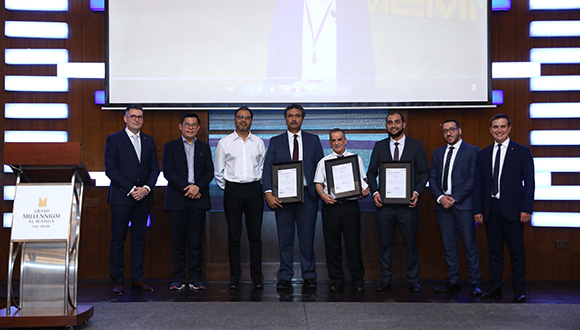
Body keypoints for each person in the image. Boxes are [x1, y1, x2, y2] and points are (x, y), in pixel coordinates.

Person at [473, 113, 535, 303]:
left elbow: (530, 183)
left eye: (502, 127)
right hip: (491, 210)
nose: (499, 130)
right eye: (495, 127)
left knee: (516, 252)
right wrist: (478, 210)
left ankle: (518, 289)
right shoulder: (483, 154)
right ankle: (495, 288)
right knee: (494, 252)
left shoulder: (522, 151)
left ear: (509, 128)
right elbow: (478, 184)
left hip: (515, 211)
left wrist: (526, 209)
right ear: (490, 130)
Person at [262, 104, 324, 290]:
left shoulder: (313, 140)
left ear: (302, 118)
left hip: (308, 197)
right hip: (283, 198)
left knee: (307, 238)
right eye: (290, 115)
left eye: (297, 115)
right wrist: (268, 194)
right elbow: (267, 170)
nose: (294, 119)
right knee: (285, 238)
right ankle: (286, 275)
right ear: (285, 118)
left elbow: (321, 168)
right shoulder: (275, 141)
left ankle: (309, 275)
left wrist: (321, 192)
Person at [366, 111, 429, 293]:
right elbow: (371, 173)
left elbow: (424, 172)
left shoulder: (416, 146)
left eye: (396, 122)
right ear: (386, 126)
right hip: (384, 206)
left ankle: (413, 279)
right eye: (389, 122)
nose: (393, 125)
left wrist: (417, 191)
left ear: (403, 124)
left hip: (408, 206)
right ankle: (385, 279)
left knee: (410, 243)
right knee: (385, 243)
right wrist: (375, 192)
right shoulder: (379, 146)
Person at [105, 104, 160, 295]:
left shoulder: (149, 140)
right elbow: (111, 170)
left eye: (140, 117)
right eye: (134, 116)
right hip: (121, 198)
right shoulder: (114, 140)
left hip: (143, 199)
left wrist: (145, 189)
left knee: (139, 240)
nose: (137, 119)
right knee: (118, 240)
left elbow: (155, 169)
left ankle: (138, 279)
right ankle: (118, 280)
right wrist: (131, 189)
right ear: (125, 118)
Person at [214, 106, 266, 290]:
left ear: (251, 121)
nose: (243, 120)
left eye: (247, 117)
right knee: (234, 236)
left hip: (254, 191)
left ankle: (256, 277)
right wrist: (228, 187)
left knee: (255, 236)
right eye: (240, 117)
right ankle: (235, 276)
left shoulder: (258, 142)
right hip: (233, 191)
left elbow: (262, 167)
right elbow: (218, 170)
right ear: (234, 120)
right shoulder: (224, 142)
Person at [429, 119, 482, 296]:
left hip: (464, 206)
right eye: (445, 131)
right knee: (449, 246)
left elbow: (472, 179)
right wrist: (440, 197)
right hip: (443, 207)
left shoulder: (473, 151)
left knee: (470, 246)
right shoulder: (438, 152)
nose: (448, 133)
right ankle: (453, 282)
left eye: (452, 130)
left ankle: (475, 283)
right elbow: (433, 178)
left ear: (459, 130)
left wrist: (455, 198)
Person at [163, 113, 214, 291]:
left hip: (198, 200)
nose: (190, 128)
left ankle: (195, 277)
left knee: (195, 242)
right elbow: (168, 172)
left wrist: (197, 187)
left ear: (198, 128)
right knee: (178, 242)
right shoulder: (170, 147)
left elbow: (209, 171)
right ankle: (177, 278)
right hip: (178, 199)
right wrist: (188, 188)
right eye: (187, 124)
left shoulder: (204, 148)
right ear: (180, 127)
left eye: (194, 125)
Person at [313, 128, 369, 292]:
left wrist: (364, 190)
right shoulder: (324, 162)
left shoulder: (355, 159)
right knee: (332, 246)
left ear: (345, 140)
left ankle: (357, 279)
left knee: (353, 245)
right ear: (330, 142)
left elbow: (363, 181)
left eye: (339, 139)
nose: (337, 143)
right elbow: (318, 183)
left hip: (350, 207)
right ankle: (336, 280)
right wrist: (323, 195)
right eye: (333, 140)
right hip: (331, 208)